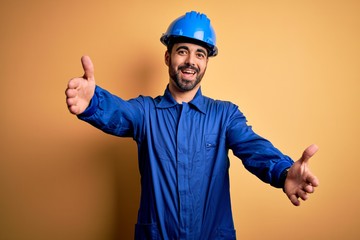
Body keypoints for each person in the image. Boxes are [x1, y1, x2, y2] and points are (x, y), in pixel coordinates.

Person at [65, 11, 319, 240]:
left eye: (200, 54)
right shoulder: (145, 112)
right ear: (168, 56)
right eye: (182, 50)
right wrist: (93, 101)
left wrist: (284, 172)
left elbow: (254, 148)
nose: (191, 60)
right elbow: (118, 112)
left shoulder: (225, 115)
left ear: (207, 62)